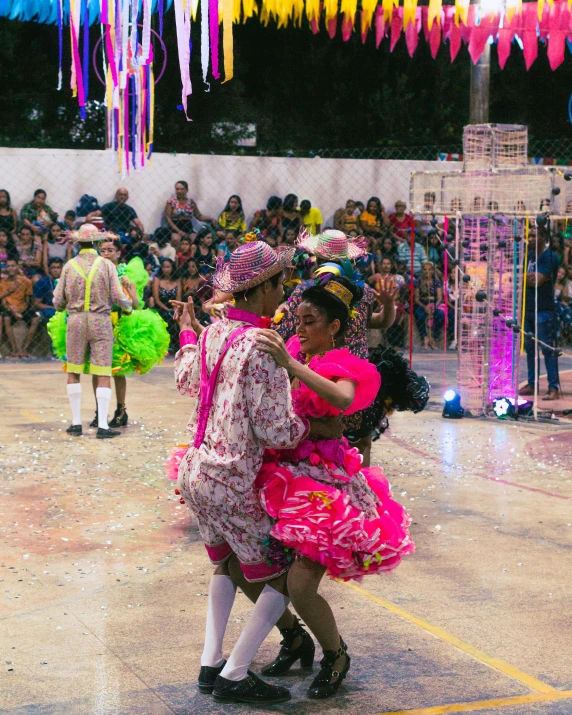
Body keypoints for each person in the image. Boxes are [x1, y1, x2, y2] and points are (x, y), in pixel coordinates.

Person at [172, 241, 342, 704]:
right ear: (262, 287)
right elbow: (276, 431)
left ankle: (211, 663)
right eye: (279, 284)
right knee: (285, 571)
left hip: (194, 470)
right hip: (230, 479)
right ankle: (234, 673)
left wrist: (187, 330)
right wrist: (317, 423)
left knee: (226, 561)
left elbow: (186, 377)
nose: (283, 293)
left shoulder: (213, 332)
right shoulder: (262, 346)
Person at [254, 274, 415, 698]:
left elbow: (342, 402)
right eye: (298, 320)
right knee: (246, 567)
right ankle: (294, 639)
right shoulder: (293, 352)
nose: (300, 329)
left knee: (301, 585)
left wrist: (293, 368)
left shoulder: (339, 363)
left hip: (322, 486)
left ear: (334, 327)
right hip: (281, 477)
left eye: (309, 322)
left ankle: (335, 653)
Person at [276, 230, 398, 467]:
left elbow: (285, 329)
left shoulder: (307, 292)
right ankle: (356, 484)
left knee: (319, 440)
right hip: (356, 375)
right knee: (361, 443)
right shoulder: (360, 292)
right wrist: (390, 305)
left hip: (318, 376)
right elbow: (380, 322)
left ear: (317, 258)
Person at [52, 224, 133, 439]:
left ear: (78, 242)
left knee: (74, 369)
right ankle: (103, 427)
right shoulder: (106, 265)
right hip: (101, 321)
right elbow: (118, 296)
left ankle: (76, 422)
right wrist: (128, 307)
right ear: (97, 243)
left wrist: (65, 306)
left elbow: (58, 300)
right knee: (103, 372)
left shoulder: (69, 266)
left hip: (76, 321)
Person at [520, 225, 561, 400]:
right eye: (528, 237)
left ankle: (554, 387)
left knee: (547, 349)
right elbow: (528, 279)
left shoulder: (550, 257)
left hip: (544, 308)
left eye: (533, 236)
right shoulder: (528, 257)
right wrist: (528, 278)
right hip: (528, 308)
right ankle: (532, 383)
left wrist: (526, 278)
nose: (529, 240)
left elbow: (536, 281)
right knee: (529, 348)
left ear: (543, 237)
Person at [0, 257, 41, 358]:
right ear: (5, 268)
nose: (10, 268)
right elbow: (4, 302)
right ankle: (14, 350)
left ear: (17, 267)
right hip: (9, 308)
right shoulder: (3, 282)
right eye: (8, 266)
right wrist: (13, 310)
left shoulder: (26, 281)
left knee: (36, 319)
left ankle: (24, 349)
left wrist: (21, 310)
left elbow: (28, 300)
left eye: (13, 266)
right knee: (6, 318)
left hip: (23, 308)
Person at [152, 258, 181, 354]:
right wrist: (167, 309)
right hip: (161, 307)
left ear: (172, 268)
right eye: (164, 267)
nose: (166, 269)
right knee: (165, 317)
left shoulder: (177, 280)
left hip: (174, 306)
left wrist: (174, 308)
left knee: (176, 317)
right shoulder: (157, 279)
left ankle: (175, 345)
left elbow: (178, 299)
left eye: (168, 267)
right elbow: (156, 300)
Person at [34, 257, 63, 325]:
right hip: (48, 309)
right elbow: (36, 304)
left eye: (58, 268)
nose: (56, 270)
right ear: (49, 269)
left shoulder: (67, 282)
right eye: (53, 268)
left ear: (62, 269)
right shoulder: (42, 282)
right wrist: (53, 308)